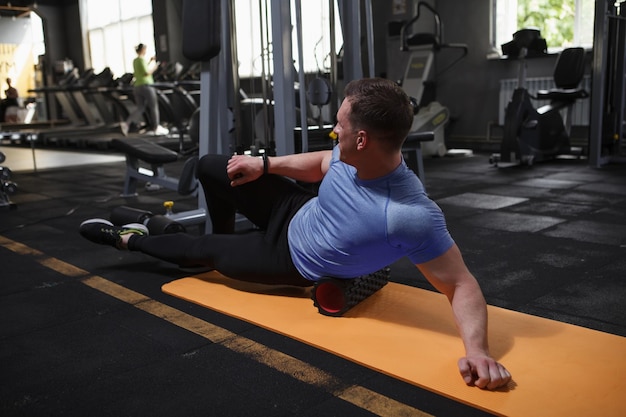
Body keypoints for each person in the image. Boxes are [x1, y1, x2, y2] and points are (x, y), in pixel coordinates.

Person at [80, 77, 511, 390]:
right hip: (295, 209)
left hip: (291, 260)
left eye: (340, 124)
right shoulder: (351, 153)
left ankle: (128, 237)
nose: (333, 128)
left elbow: (460, 284)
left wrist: (478, 351)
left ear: (361, 140)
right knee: (218, 165)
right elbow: (324, 162)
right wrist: (264, 166)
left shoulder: (407, 215)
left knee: (200, 248)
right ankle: (222, 238)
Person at [120, 43, 169, 136]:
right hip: (146, 86)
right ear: (142, 50)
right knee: (153, 106)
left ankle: (126, 124)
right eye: (145, 49)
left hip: (137, 86)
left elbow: (140, 71)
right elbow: (146, 73)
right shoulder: (141, 60)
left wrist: (150, 62)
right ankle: (156, 127)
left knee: (140, 107)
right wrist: (156, 66)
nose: (146, 51)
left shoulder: (135, 61)